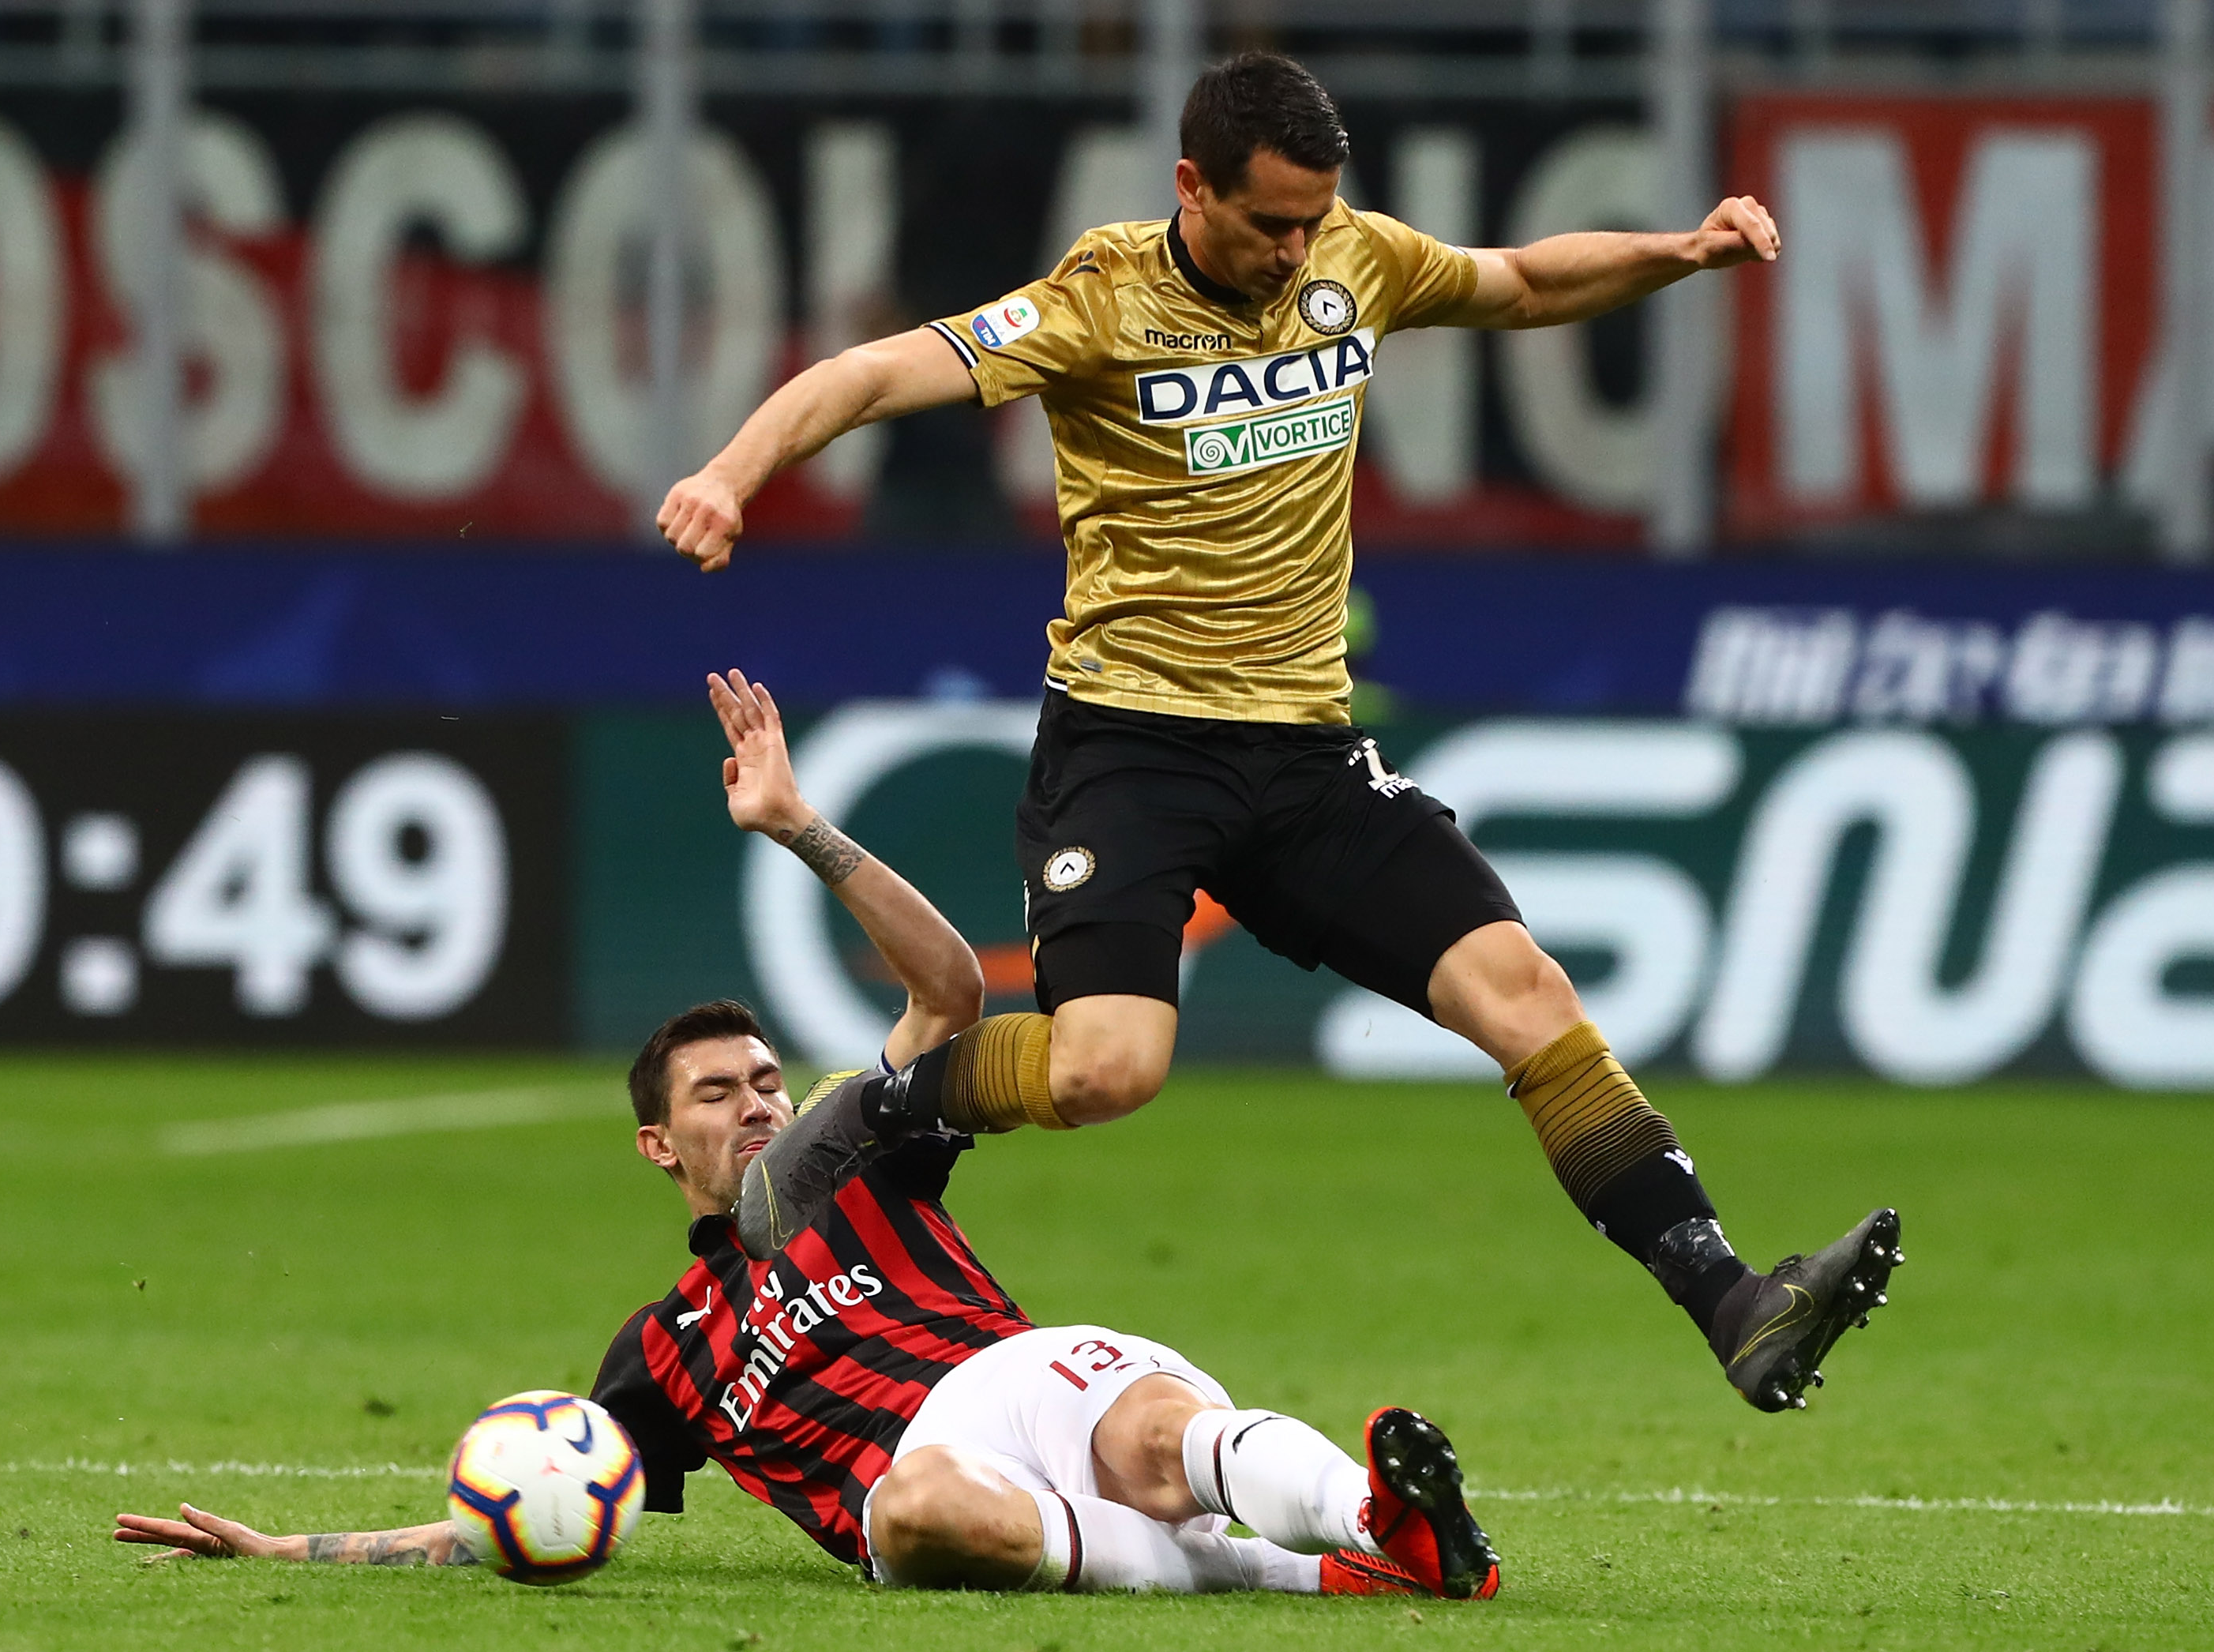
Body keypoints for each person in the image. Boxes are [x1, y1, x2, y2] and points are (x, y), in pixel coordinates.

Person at [653, 51, 1900, 1414]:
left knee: (1527, 998)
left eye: (1316, 219)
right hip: (1129, 749)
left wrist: (1686, 250)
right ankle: (884, 1106)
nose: (1300, 246)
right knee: (1108, 1068)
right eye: (1270, 223)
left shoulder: (1348, 261)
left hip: (1304, 758)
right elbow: (878, 372)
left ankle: (1734, 1305)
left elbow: (1528, 283)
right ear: (1193, 187)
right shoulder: (1099, 299)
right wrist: (730, 474)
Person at [112, 670, 1497, 1601]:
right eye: (718, 1095)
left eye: (765, 1078)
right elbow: (531, 1501)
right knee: (923, 1514)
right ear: (661, 1148)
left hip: (1014, 1376)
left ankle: (1398, 1531)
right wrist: (290, 1549)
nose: (760, 1103)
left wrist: (800, 829)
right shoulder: (663, 1354)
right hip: (921, 1485)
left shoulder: (854, 1152)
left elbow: (951, 993)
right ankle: (1320, 1574)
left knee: (1155, 1428)